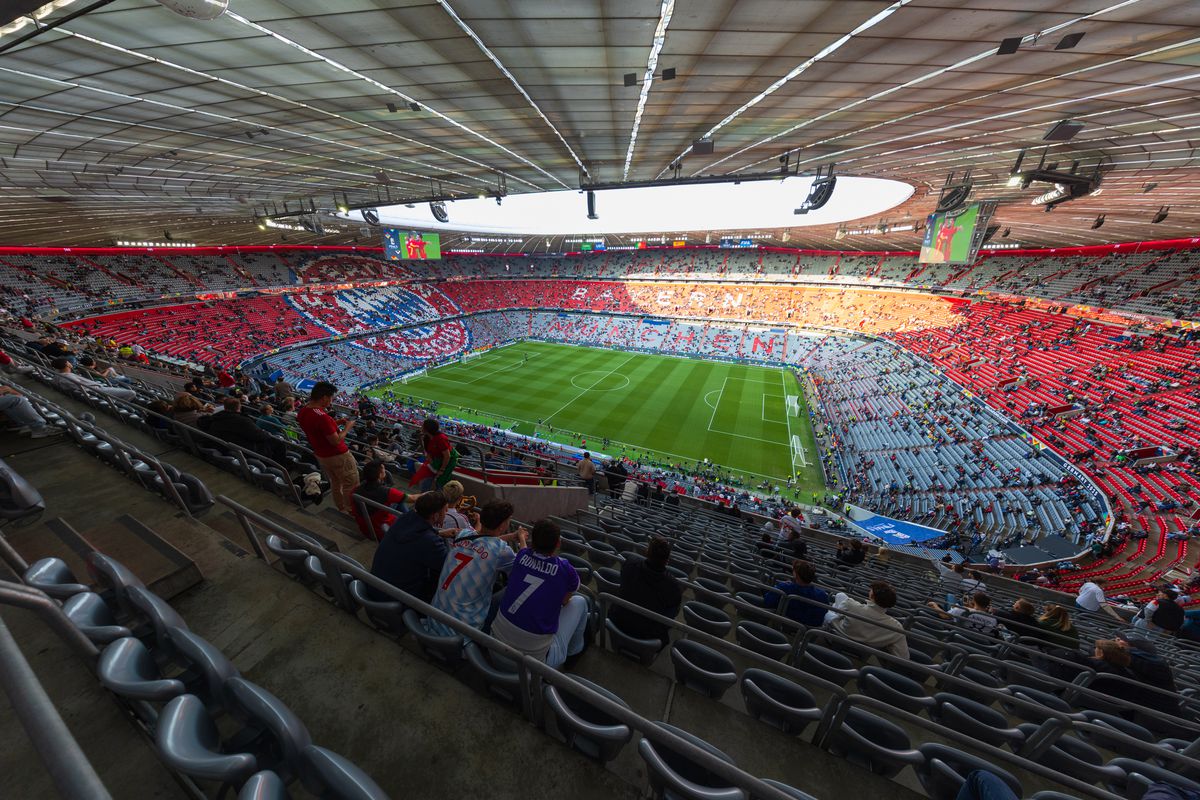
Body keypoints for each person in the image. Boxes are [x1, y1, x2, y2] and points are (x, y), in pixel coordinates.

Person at [490, 519, 588, 669]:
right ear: (558, 543)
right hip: (532, 665)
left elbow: (524, 551)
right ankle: (575, 653)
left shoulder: (521, 556)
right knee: (580, 602)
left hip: (494, 648)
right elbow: (565, 601)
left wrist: (522, 538)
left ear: (532, 541)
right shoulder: (565, 569)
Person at [426, 500, 528, 637]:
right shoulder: (501, 550)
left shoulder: (464, 534)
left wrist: (510, 536)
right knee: (507, 591)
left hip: (433, 620)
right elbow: (524, 565)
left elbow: (483, 541)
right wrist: (522, 539)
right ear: (503, 524)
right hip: (461, 630)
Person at [367, 490, 449, 602]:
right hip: (395, 599)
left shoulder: (403, 519)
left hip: (375, 587)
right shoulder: (430, 542)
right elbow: (448, 566)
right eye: (445, 510)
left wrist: (438, 533)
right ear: (435, 516)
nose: (447, 512)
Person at [297, 381, 358, 514]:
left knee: (336, 482)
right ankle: (351, 510)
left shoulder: (303, 411)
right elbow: (335, 441)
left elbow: (317, 430)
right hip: (338, 456)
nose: (331, 401)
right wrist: (347, 427)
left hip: (322, 455)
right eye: (331, 398)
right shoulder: (322, 417)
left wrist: (336, 422)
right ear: (324, 397)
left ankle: (341, 508)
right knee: (350, 483)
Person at [609, 536, 682, 644]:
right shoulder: (673, 586)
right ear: (667, 560)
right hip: (649, 636)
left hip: (618, 622)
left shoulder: (629, 564)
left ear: (647, 552)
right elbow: (671, 616)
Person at [826, 581, 909, 659]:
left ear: (872, 595)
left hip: (841, 633)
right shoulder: (896, 627)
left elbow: (840, 612)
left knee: (827, 611)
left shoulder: (851, 605)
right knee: (840, 596)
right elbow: (904, 656)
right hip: (866, 649)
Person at [198, 396, 286, 463]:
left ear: (224, 407)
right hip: (243, 449)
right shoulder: (242, 420)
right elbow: (258, 436)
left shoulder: (215, 418)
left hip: (229, 447)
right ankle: (280, 465)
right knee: (278, 443)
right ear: (239, 408)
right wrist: (267, 434)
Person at [351, 460, 411, 540]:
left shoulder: (355, 491)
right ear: (379, 475)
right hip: (382, 532)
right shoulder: (388, 492)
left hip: (366, 529)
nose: (385, 470)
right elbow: (413, 498)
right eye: (383, 468)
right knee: (401, 503)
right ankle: (411, 523)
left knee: (398, 501)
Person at [764, 559, 829, 627]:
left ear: (796, 574)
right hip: (806, 633)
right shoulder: (823, 595)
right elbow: (819, 619)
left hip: (783, 625)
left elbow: (768, 601)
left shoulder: (784, 587)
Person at [50, 357, 136, 400]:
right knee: (132, 393)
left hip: (98, 387)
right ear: (67, 364)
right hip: (98, 390)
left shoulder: (57, 375)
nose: (71, 363)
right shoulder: (67, 377)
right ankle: (118, 404)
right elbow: (82, 388)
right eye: (69, 362)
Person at [408, 418, 458, 490]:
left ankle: (439, 497)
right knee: (426, 478)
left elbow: (447, 456)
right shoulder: (426, 437)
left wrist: (441, 470)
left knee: (440, 482)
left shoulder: (441, 438)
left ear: (427, 429)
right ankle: (424, 496)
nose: (421, 427)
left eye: (422, 426)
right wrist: (433, 465)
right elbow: (427, 453)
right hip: (436, 459)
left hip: (448, 461)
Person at [927, 591, 999, 637]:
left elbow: (945, 616)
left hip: (957, 634)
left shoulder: (962, 610)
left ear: (973, 601)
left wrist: (934, 605)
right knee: (957, 603)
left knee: (950, 596)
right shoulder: (993, 620)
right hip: (974, 641)